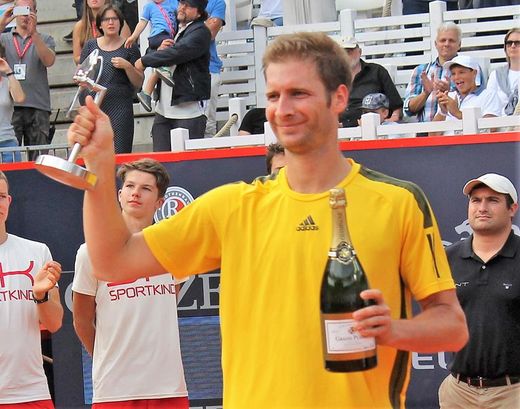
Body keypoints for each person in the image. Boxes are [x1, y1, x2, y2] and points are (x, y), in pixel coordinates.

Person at [68, 31, 468, 408]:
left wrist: (395, 330)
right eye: (274, 95)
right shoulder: (232, 207)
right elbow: (112, 261)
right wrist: (101, 165)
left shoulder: (398, 202)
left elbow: (452, 325)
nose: (283, 108)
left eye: (299, 93)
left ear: (339, 97)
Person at [72, 158, 189, 408]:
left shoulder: (174, 248)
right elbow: (81, 320)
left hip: (168, 386)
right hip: (114, 389)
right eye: (130, 186)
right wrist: (107, 358)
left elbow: (169, 301)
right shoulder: (90, 252)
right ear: (119, 194)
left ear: (159, 202)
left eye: (146, 188)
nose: (135, 193)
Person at [439, 173, 520, 409]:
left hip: (514, 394)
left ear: (512, 209)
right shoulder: (448, 258)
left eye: (493, 200)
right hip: (458, 393)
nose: (482, 207)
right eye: (476, 200)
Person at [0, 169, 63, 408]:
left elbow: (55, 323)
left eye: (1, 196)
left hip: (29, 392)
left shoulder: (36, 252)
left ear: (9, 201)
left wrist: (41, 295)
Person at [135, 0, 211, 150]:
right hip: (163, 110)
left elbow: (178, 52)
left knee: (187, 167)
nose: (182, 8)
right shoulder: (176, 29)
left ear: (199, 12)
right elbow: (158, 50)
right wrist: (156, 52)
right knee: (161, 166)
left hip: (189, 111)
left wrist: (145, 61)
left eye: (189, 5)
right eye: (181, 3)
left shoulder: (201, 31)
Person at [79, 4, 143, 153]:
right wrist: (80, 78)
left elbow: (139, 82)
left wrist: (128, 67)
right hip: (95, 106)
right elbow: (81, 75)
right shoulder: (90, 46)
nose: (111, 23)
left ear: (120, 22)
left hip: (120, 108)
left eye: (114, 19)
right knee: (96, 154)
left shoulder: (129, 47)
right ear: (100, 24)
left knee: (120, 153)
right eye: (106, 19)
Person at [0, 0, 55, 161]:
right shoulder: (4, 38)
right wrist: (2, 24)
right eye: (21, 10)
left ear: (36, 12)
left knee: (39, 159)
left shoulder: (45, 38)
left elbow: (49, 61)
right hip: (11, 106)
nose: (25, 15)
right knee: (12, 159)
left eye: (29, 10)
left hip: (38, 105)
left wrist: (34, 34)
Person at [338, 36, 403, 128]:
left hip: (373, 128)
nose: (346, 55)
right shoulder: (333, 77)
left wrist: (392, 119)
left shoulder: (377, 72)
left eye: (350, 51)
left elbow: (396, 105)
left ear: (360, 52)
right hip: (340, 131)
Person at [125, 0, 178, 113]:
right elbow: (142, 23)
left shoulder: (174, 3)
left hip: (166, 38)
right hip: (158, 37)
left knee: (156, 70)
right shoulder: (149, 6)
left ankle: (146, 94)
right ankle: (164, 69)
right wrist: (134, 37)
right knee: (166, 52)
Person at [404, 23, 461, 123]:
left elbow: (473, 102)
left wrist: (450, 92)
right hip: (425, 132)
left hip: (456, 130)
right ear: (436, 44)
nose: (446, 44)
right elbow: (408, 110)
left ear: (459, 45)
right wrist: (426, 93)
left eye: (451, 40)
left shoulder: (469, 69)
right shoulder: (420, 71)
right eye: (442, 40)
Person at [431, 55, 501, 135]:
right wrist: (443, 112)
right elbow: (432, 135)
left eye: (461, 72)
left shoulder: (488, 95)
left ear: (474, 73)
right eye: (453, 74)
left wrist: (457, 113)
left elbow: (490, 129)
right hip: (447, 146)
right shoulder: (449, 96)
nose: (456, 77)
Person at [72, 0, 131, 65]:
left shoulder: (118, 23)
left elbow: (128, 52)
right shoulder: (80, 26)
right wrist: (94, 58)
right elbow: (77, 58)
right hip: (91, 71)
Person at [203, 0, 225, 138]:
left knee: (208, 126)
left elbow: (209, 34)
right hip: (180, 70)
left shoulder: (217, 2)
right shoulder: (175, 2)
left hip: (209, 69)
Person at [485, 28, 520, 116]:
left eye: (517, 43)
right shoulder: (496, 75)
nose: (513, 46)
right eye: (509, 43)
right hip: (502, 125)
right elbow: (490, 105)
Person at [0, 43, 24, 162]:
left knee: (13, 180)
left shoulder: (7, 82)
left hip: (7, 143)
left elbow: (19, 98)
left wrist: (9, 71)